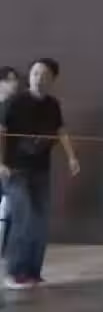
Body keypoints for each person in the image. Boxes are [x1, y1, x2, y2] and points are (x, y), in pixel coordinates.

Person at [0, 58, 80, 288]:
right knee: (23, 218)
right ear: (30, 76)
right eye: (35, 73)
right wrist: (1, 163)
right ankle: (15, 273)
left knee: (40, 222)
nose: (39, 78)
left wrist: (72, 157)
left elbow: (60, 130)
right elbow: (1, 131)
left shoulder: (52, 105)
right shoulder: (14, 102)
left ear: (52, 79)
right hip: (15, 170)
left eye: (44, 75)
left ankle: (33, 272)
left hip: (40, 170)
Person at [0, 67, 19, 255]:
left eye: (15, 79)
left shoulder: (14, 108)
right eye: (10, 80)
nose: (15, 84)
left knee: (12, 207)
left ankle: (7, 249)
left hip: (11, 165)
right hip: (3, 165)